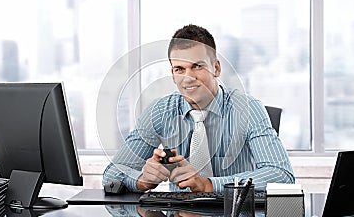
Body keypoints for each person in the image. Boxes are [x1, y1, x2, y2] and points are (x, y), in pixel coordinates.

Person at [103, 24, 294, 193]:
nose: (188, 77)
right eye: (180, 69)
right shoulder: (160, 112)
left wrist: (208, 185)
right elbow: (111, 174)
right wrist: (141, 181)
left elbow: (282, 175)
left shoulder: (248, 109)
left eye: (197, 66)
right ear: (172, 74)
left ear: (216, 68)